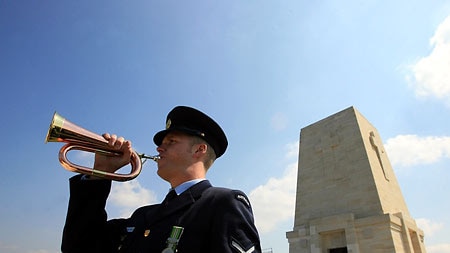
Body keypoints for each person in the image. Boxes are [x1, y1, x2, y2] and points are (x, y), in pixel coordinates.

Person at [61, 106, 261, 253]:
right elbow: (78, 246)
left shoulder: (223, 203)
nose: (159, 148)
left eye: (171, 141)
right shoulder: (143, 215)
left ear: (200, 150)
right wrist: (100, 173)